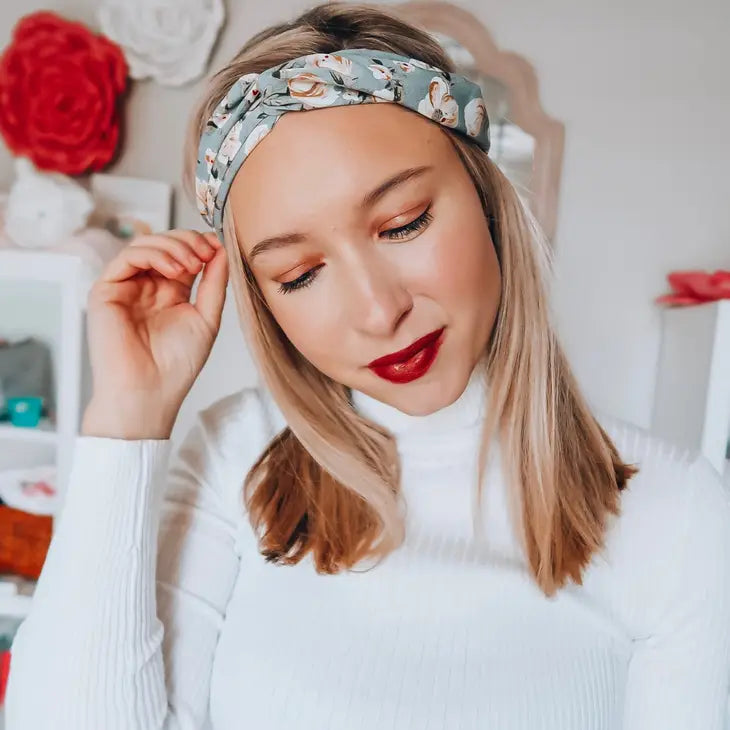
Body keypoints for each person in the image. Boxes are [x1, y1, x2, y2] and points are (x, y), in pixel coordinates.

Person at [5, 3, 730, 729]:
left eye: (405, 223)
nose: (379, 311)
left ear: (487, 202)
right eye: (299, 274)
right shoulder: (235, 458)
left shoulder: (680, 511)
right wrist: (127, 419)